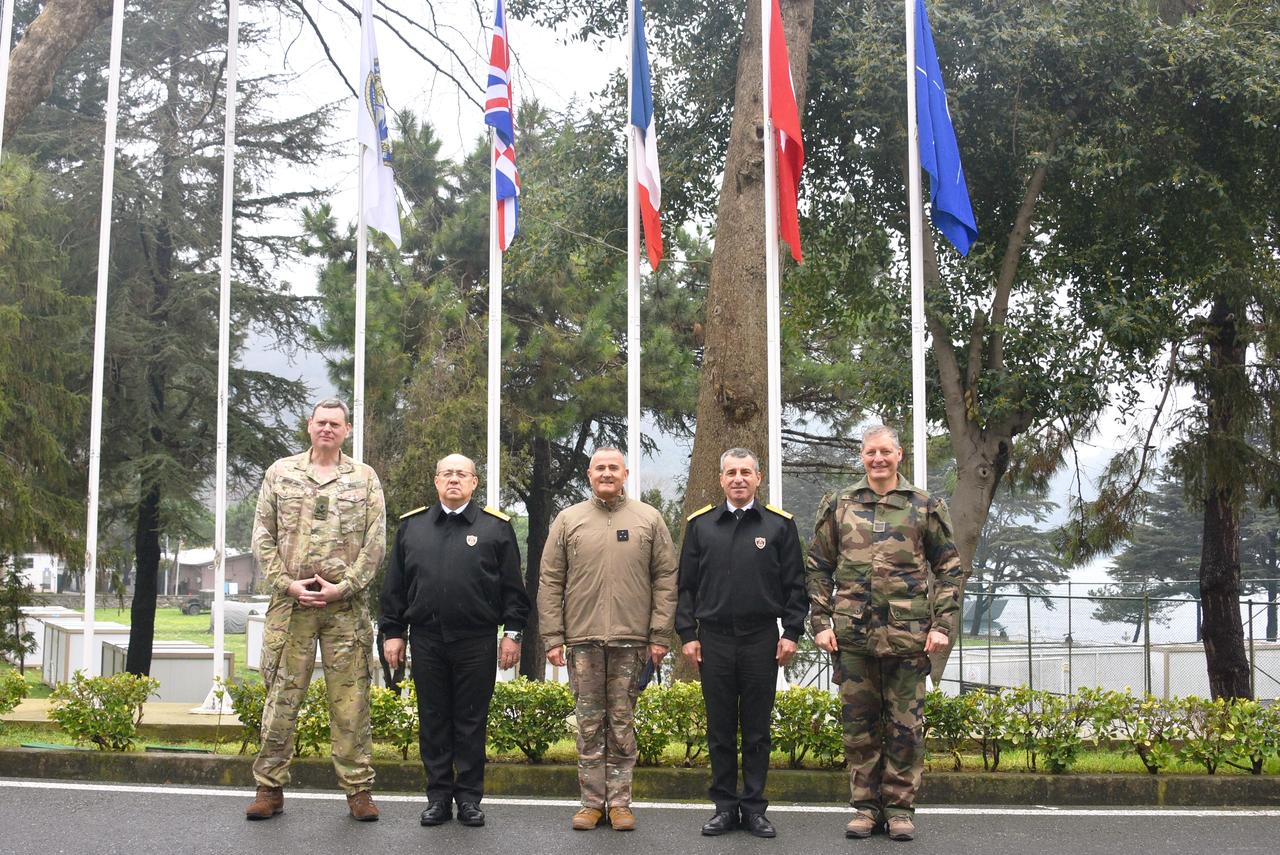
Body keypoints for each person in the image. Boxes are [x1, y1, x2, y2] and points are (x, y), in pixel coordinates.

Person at [806, 425, 964, 842]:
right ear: (862, 456)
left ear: (900, 455)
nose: (878, 459)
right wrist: (820, 623)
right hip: (853, 636)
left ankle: (898, 810)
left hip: (909, 635)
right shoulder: (840, 505)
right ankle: (864, 809)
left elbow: (948, 569)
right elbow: (818, 567)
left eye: (886, 452)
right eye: (871, 452)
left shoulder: (924, 506)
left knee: (905, 728)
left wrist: (943, 626)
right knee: (858, 726)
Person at [246, 399, 386, 822]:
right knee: (281, 699)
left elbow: (376, 542)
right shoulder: (280, 472)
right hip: (291, 607)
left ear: (347, 430)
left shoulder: (364, 478)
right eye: (321, 422)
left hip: (345, 610)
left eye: (335, 424)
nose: (327, 429)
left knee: (351, 703)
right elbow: (262, 536)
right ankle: (268, 788)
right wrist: (287, 583)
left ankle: (358, 791)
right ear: (309, 426)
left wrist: (344, 587)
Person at [380, 454, 530, 828]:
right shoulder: (412, 527)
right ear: (435, 481)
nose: (453, 480)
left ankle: (468, 799)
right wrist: (393, 632)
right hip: (427, 639)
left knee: (470, 721)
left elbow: (513, 587)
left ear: (474, 482)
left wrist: (512, 634)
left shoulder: (495, 528)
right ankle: (437, 797)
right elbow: (394, 587)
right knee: (432, 720)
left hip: (476, 640)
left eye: (461, 474)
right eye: (446, 473)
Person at [538, 447, 677, 832]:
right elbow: (550, 580)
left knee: (621, 722)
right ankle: (590, 804)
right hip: (582, 640)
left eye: (613, 468)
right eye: (600, 468)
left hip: (632, 640)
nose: (607, 473)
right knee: (588, 724)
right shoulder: (569, 520)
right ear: (589, 474)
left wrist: (659, 635)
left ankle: (619, 804)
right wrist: (552, 636)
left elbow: (666, 578)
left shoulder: (648, 519)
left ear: (626, 473)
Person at [677, 448, 807, 839]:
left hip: (760, 639)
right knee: (719, 728)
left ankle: (753, 808)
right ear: (720, 479)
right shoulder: (701, 526)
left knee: (756, 730)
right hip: (714, 639)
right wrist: (687, 634)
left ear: (758, 477)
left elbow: (796, 587)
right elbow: (685, 587)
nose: (738, 479)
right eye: (731, 472)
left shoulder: (779, 526)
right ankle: (723, 807)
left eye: (745, 472)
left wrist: (793, 633)